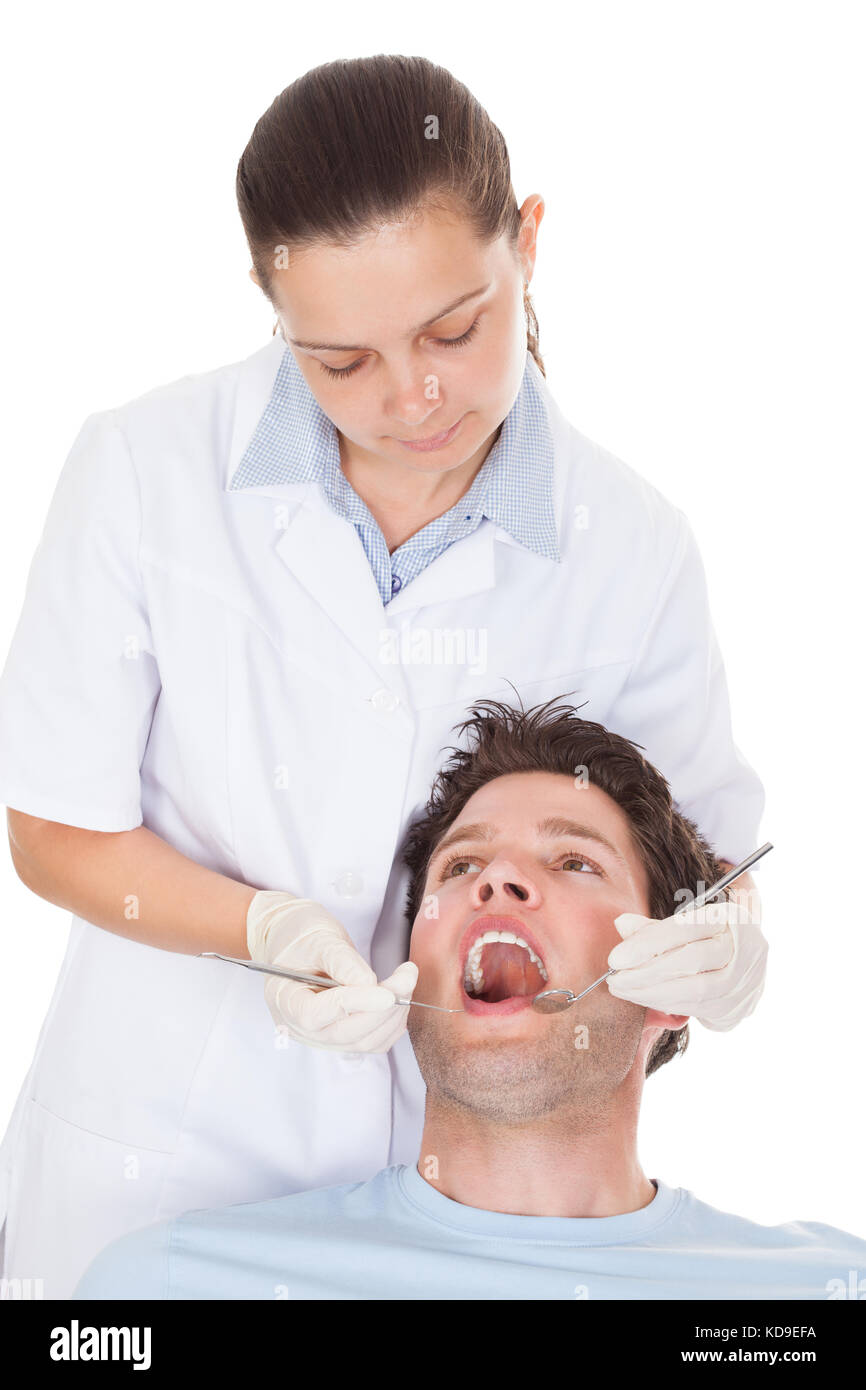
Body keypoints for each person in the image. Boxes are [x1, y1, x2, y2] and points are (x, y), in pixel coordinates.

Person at [0, 55, 766, 1299]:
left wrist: (723, 944)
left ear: (525, 243)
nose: (410, 398)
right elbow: (51, 829)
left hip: (461, 1190)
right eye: (338, 360)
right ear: (272, 308)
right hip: (159, 1153)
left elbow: (691, 859)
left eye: (453, 330)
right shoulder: (143, 471)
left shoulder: (629, 545)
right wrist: (261, 928)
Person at [73, 699, 856, 1301]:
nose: (497, 880)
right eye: (459, 867)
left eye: (575, 862)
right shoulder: (174, 1288)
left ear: (675, 978)